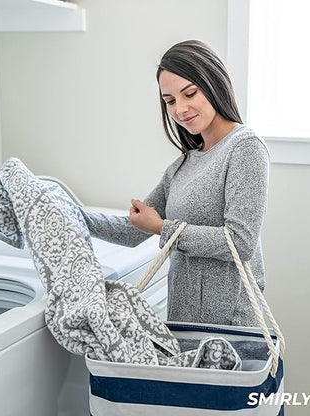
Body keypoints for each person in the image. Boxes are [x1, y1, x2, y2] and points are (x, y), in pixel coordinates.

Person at [80, 40, 269, 327]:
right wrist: (70, 213)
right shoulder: (182, 166)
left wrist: (160, 228)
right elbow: (134, 229)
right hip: (184, 321)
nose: (180, 109)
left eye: (189, 93)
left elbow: (239, 243)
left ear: (214, 84)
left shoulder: (244, 148)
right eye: (170, 101)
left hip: (230, 325)